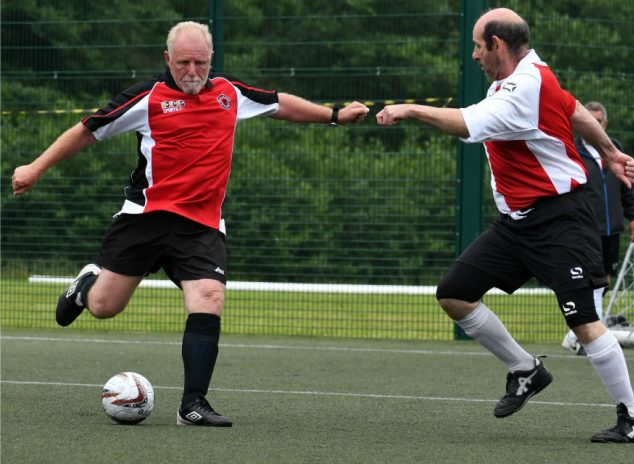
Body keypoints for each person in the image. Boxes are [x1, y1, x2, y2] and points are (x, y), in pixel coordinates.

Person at [12, 21, 369, 427]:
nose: (193, 71)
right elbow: (87, 130)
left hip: (201, 225)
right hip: (145, 218)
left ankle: (193, 404)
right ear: (168, 60)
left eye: (200, 62)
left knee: (209, 298)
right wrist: (35, 168)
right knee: (104, 308)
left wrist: (334, 116)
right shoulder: (148, 98)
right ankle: (87, 285)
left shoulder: (229, 93)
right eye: (183, 63)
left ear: (211, 59)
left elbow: (280, 105)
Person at [375, 8, 634, 443]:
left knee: (584, 321)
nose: (473, 55)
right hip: (517, 224)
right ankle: (526, 369)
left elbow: (466, 122)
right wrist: (612, 153)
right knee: (454, 295)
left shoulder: (521, 88)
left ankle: (632, 418)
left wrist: (409, 109)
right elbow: (575, 109)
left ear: (497, 45)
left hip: (562, 219)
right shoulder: (531, 74)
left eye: (477, 46)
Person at [561, 101, 634, 355]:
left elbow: (627, 185)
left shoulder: (615, 150)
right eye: (589, 121)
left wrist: (633, 217)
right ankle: (582, 335)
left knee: (605, 279)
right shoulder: (572, 150)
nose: (594, 125)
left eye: (599, 122)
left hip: (612, 228)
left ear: (605, 124)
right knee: (589, 280)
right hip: (585, 228)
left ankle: (581, 333)